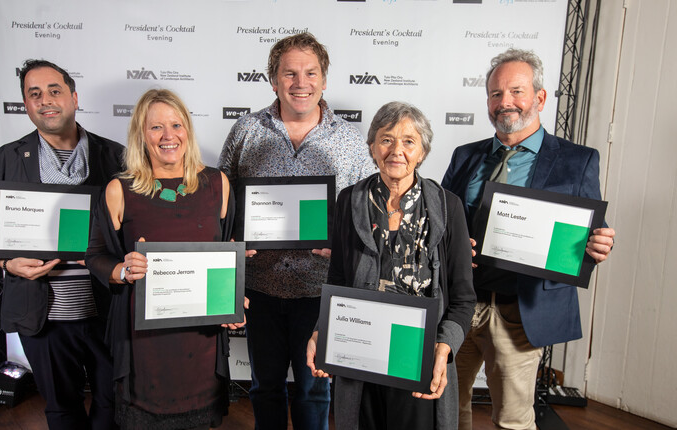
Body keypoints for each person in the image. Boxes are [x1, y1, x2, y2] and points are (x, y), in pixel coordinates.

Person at [441, 48, 616, 430]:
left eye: (516, 92)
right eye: (495, 94)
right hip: (460, 307)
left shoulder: (577, 160)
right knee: (447, 413)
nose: (505, 102)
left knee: (513, 420)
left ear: (539, 97)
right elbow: (440, 222)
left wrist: (596, 246)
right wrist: (452, 243)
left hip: (522, 310)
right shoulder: (464, 156)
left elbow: (585, 233)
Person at [218, 32, 376, 430]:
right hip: (259, 286)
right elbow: (221, 200)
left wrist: (343, 248)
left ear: (324, 80)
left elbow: (367, 216)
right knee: (265, 387)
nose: (300, 83)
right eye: (289, 73)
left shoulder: (350, 142)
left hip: (320, 290)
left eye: (310, 73)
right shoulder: (245, 131)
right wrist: (230, 246)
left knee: (314, 388)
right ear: (273, 80)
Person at [306, 101, 476, 429]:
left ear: (422, 151)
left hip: (418, 357)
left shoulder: (447, 206)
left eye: (408, 141)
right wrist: (321, 330)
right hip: (360, 353)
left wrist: (444, 348)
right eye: (386, 139)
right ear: (372, 147)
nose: (397, 150)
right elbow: (339, 279)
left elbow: (464, 298)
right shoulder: (349, 201)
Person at [0, 59, 122, 429]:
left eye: (54, 91)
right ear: (26, 105)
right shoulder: (5, 159)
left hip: (107, 308)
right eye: (34, 94)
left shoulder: (116, 155)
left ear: (73, 97)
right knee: (61, 409)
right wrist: (7, 263)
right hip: (42, 314)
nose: (45, 100)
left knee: (113, 404)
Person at [85, 89, 240, 430]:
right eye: (156, 128)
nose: (168, 136)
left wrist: (230, 293)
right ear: (141, 134)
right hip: (145, 344)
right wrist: (123, 270)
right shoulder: (119, 188)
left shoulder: (218, 184)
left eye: (176, 125)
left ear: (188, 129)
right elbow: (95, 255)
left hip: (200, 339)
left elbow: (225, 246)